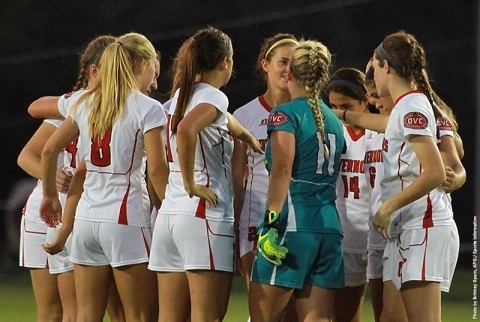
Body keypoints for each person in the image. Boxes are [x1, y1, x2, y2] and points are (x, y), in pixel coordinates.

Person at [40, 32, 168, 322]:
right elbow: (158, 171)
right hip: (126, 219)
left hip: (85, 221)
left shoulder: (85, 102)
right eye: (154, 72)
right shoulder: (148, 108)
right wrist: (172, 211)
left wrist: (49, 197)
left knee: (87, 315)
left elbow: (49, 151)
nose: (155, 81)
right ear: (142, 62)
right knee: (140, 316)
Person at [148, 26, 261, 322]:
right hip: (203, 215)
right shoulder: (214, 96)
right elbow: (187, 130)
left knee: (170, 318)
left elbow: (218, 119)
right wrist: (191, 184)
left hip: (170, 217)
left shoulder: (178, 97)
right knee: (207, 317)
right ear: (226, 61)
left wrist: (245, 135)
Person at [17, 35, 116, 322]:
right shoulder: (75, 106)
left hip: (72, 210)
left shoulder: (86, 106)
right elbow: (28, 155)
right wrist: (52, 178)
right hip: (50, 209)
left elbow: (35, 107)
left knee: (70, 310)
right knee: (57, 311)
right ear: (94, 70)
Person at [248, 39, 346, 322]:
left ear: (289, 72)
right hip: (328, 229)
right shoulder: (333, 120)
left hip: (292, 226)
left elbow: (282, 169)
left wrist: (270, 222)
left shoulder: (284, 114)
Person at [232, 33, 298, 287]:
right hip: (256, 217)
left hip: (297, 217)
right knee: (261, 304)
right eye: (282, 62)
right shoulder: (245, 114)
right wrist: (234, 227)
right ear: (265, 64)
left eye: (294, 63)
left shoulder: (308, 112)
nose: (288, 69)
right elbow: (238, 176)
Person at [325, 67, 373, 322]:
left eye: (346, 106)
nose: (339, 114)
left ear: (366, 99)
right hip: (345, 238)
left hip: (381, 236)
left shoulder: (383, 131)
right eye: (332, 106)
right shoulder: (332, 134)